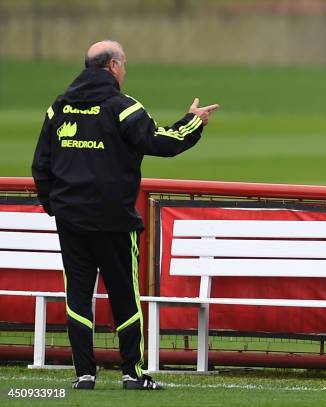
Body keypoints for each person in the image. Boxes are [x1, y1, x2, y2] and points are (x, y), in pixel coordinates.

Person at [31, 40, 219, 389]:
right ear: (114, 66)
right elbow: (162, 141)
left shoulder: (59, 107)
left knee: (77, 296)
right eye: (125, 64)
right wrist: (193, 122)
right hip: (113, 220)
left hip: (71, 221)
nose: (125, 70)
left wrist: (54, 205)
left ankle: (84, 374)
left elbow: (40, 165)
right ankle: (133, 373)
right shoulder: (122, 107)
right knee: (125, 295)